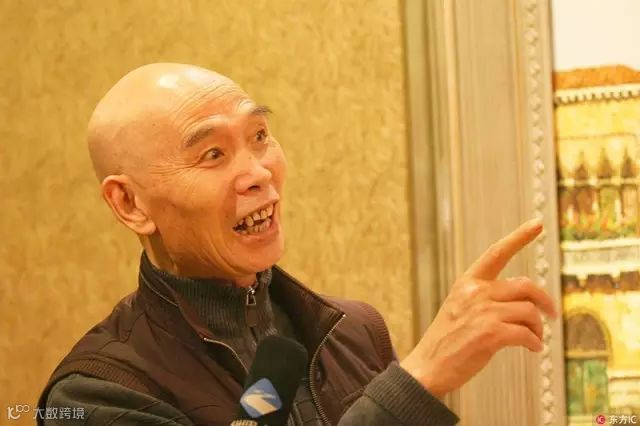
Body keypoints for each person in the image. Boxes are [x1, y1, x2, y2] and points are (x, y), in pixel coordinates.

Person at [38, 63, 557, 426]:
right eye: (213, 154)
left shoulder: (354, 332)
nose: (258, 173)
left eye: (260, 136)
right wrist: (416, 382)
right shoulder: (98, 392)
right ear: (130, 203)